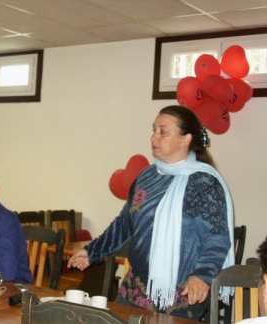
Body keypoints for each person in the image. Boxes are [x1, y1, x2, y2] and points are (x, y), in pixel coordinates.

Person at [68, 105, 234, 320]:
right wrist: (93, 251)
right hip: (135, 286)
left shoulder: (203, 182)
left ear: (185, 139)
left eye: (163, 132)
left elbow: (217, 238)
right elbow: (124, 224)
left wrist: (202, 276)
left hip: (183, 291)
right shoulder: (147, 176)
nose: (153, 137)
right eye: (153, 130)